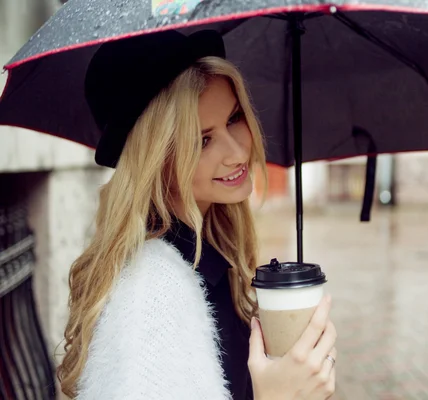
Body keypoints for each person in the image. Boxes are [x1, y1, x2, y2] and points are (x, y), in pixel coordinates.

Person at [55, 30, 337, 399]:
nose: (237, 152)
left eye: (234, 118)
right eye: (202, 140)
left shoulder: (207, 254)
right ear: (154, 161)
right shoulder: (151, 291)